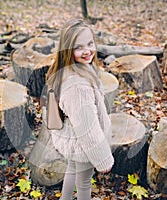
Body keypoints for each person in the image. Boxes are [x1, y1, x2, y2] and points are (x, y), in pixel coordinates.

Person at [45, 18, 114, 200]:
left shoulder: (73, 68)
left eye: (90, 43)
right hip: (83, 145)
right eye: (79, 47)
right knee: (84, 183)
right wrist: (102, 158)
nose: (87, 51)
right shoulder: (78, 87)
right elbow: (87, 128)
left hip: (73, 140)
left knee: (72, 169)